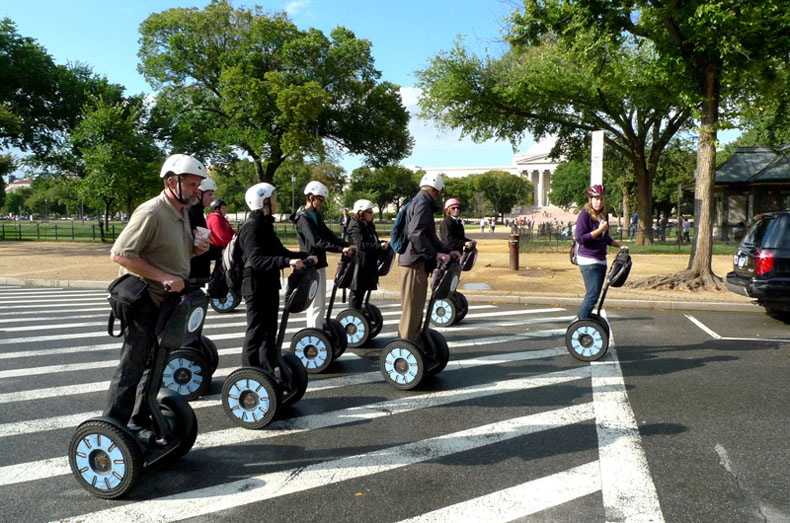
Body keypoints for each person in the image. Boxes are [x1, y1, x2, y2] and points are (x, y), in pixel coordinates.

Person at [104, 153, 210, 427]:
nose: (197, 191)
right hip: (144, 300)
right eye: (191, 185)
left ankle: (140, 420)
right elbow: (121, 254)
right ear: (172, 181)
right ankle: (113, 427)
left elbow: (167, 250)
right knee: (132, 366)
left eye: (198, 185)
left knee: (155, 365)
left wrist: (194, 249)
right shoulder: (152, 211)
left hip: (167, 300)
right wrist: (164, 277)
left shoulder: (181, 212)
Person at [239, 183, 315, 371]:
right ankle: (249, 372)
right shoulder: (251, 227)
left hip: (269, 284)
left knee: (269, 330)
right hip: (255, 285)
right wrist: (286, 262)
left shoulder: (266, 225)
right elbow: (256, 259)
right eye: (273, 199)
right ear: (262, 202)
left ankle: (266, 369)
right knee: (256, 331)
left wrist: (303, 256)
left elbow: (280, 251)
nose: (276, 202)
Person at [398, 173, 460, 342]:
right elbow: (416, 234)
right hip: (413, 263)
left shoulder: (419, 201)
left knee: (415, 308)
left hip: (414, 261)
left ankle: (412, 344)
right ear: (437, 192)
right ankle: (406, 349)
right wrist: (435, 254)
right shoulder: (423, 203)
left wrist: (447, 251)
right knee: (412, 310)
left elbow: (430, 237)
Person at [290, 181, 354, 329]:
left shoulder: (315, 215)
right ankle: (313, 333)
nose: (322, 203)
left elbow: (328, 234)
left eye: (323, 200)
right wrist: (340, 249)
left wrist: (344, 244)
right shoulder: (303, 217)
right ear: (311, 197)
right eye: (320, 199)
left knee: (320, 301)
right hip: (310, 263)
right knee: (315, 303)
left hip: (319, 262)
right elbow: (316, 241)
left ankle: (317, 331)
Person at [574, 184, 627, 320]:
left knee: (596, 295)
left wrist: (619, 245)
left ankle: (585, 320)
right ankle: (581, 323)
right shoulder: (584, 215)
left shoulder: (604, 215)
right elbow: (580, 238)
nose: (599, 202)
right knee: (592, 295)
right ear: (590, 199)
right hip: (588, 259)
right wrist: (600, 230)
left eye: (602, 199)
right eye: (596, 199)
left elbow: (605, 238)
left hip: (601, 258)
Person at [346, 199, 388, 309]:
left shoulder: (369, 225)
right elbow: (359, 244)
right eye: (369, 212)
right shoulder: (355, 225)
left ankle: (359, 312)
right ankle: (353, 314)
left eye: (371, 211)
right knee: (356, 293)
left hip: (368, 263)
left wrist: (381, 243)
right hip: (359, 264)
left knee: (363, 291)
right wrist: (379, 246)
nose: (371, 214)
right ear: (361, 212)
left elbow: (372, 241)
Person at [188, 177, 218, 278]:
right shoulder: (194, 213)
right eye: (209, 194)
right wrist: (222, 252)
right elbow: (200, 246)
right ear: (200, 194)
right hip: (193, 274)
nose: (212, 198)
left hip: (197, 273)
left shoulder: (198, 212)